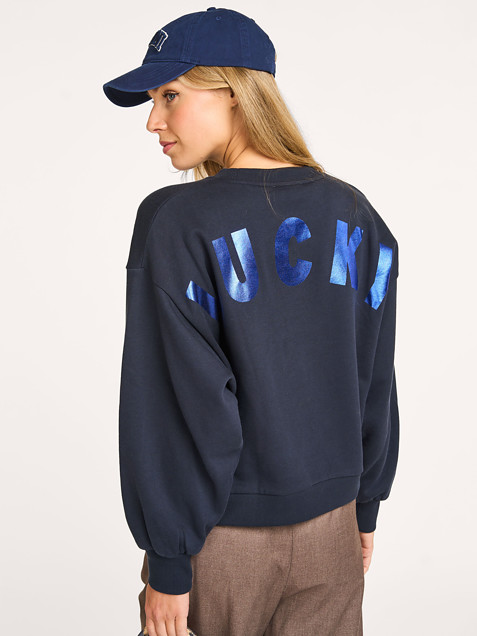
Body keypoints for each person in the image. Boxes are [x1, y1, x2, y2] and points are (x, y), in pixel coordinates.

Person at [103, 7, 400, 636]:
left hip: (221, 543)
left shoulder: (175, 220)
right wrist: (365, 506)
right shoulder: (355, 213)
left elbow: (170, 399)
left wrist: (169, 561)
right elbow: (373, 375)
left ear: (234, 93)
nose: (153, 121)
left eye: (170, 95)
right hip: (333, 532)